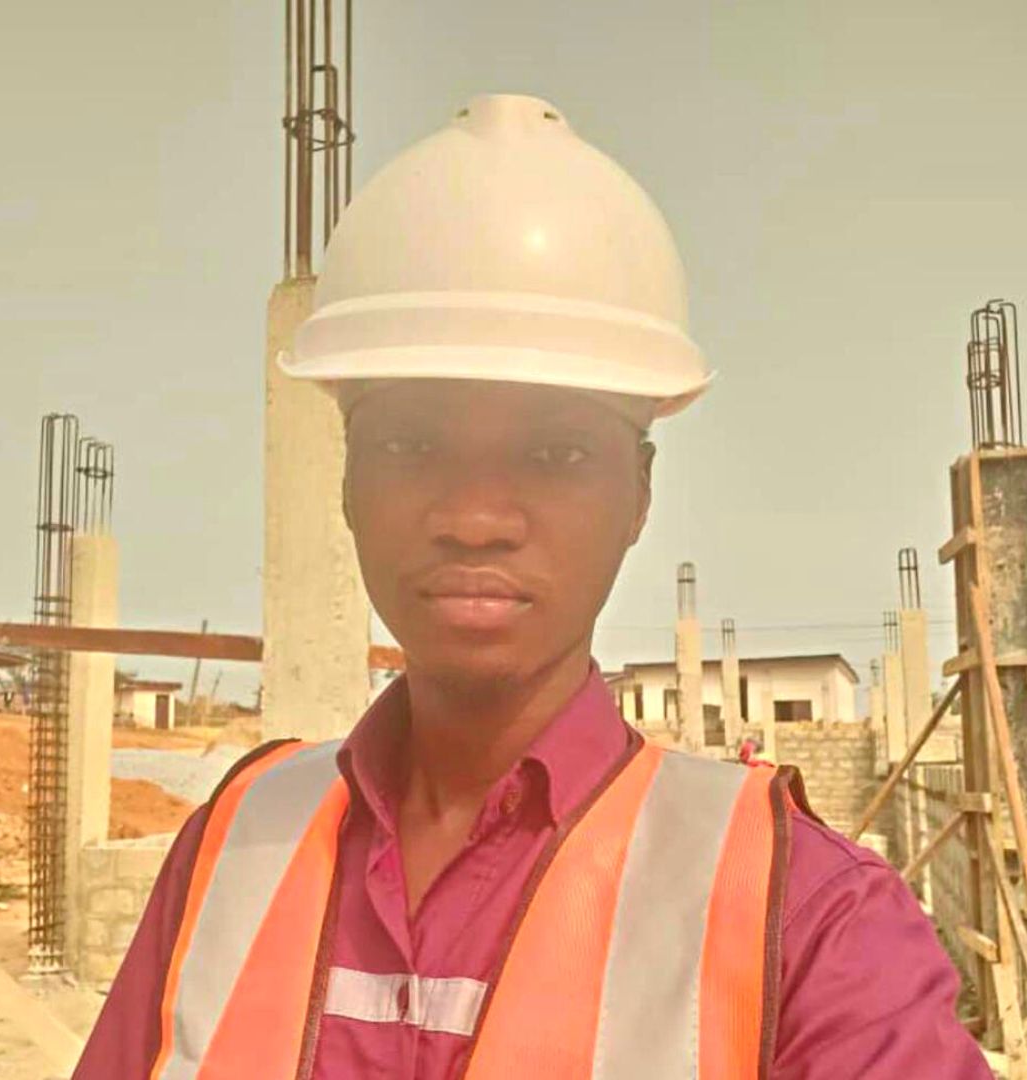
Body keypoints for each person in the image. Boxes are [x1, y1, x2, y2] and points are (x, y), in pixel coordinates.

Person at [75, 94, 988, 1078]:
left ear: (639, 495)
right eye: (411, 444)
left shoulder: (807, 925)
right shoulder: (231, 853)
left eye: (555, 453)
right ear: (345, 481)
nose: (475, 516)